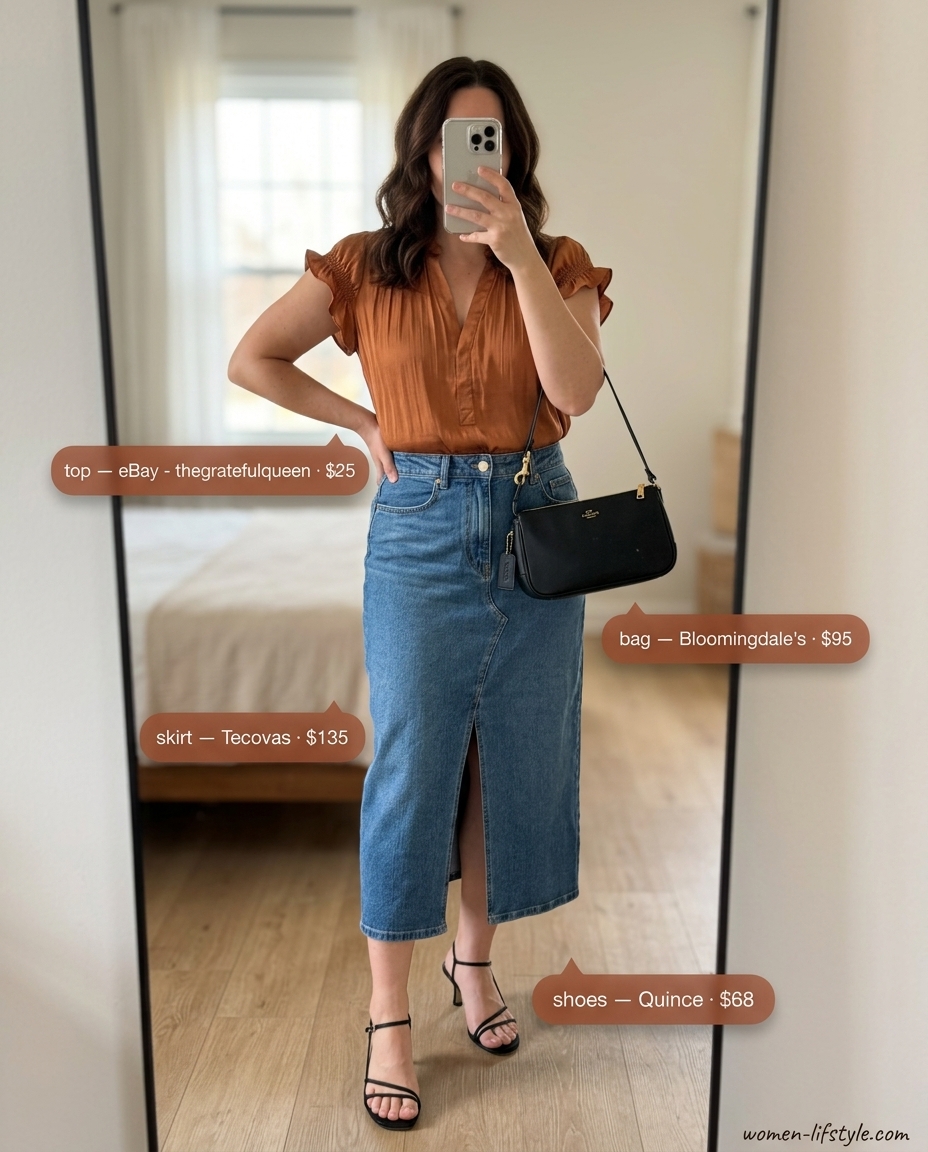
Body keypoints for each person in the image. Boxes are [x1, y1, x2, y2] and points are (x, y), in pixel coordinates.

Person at [228, 56, 612, 1130]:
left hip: (538, 521)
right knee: (410, 768)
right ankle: (389, 1012)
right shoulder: (361, 267)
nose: (470, 156)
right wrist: (355, 422)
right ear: (421, 149)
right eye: (454, 136)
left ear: (514, 155)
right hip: (419, 531)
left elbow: (573, 392)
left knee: (510, 761)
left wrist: (520, 256)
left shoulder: (560, 260)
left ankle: (474, 965)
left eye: (490, 137)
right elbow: (252, 358)